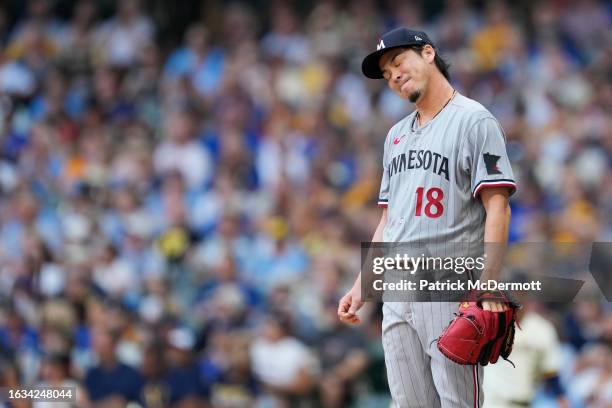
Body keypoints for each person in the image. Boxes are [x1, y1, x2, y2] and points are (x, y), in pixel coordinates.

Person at [337, 27, 516, 407]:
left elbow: (498, 205)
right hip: (397, 289)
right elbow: (390, 220)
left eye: (398, 62)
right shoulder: (395, 136)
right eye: (386, 74)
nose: (394, 75)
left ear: (429, 54)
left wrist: (487, 284)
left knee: (456, 402)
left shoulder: (474, 120)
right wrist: (362, 285)